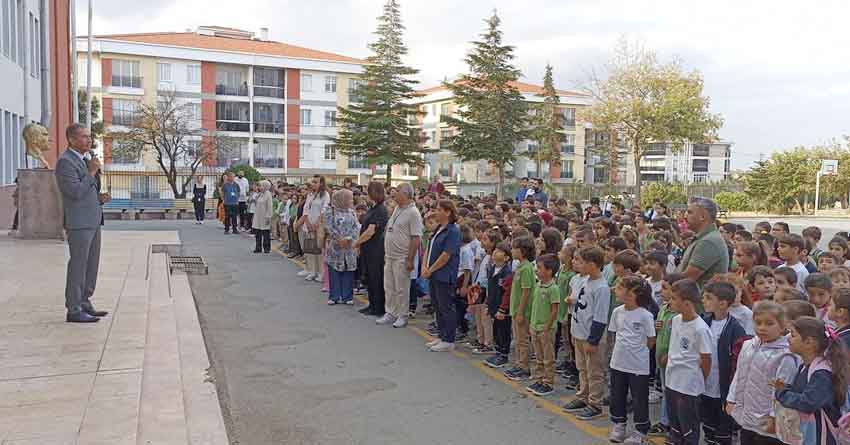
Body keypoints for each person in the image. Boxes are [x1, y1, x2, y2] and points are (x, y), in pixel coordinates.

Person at [54, 124, 109, 323]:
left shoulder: (85, 160)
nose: (89, 140)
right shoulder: (65, 162)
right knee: (78, 265)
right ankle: (74, 309)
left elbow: (86, 190)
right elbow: (74, 192)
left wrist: (99, 197)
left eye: (89, 137)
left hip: (93, 220)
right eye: (84, 137)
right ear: (71, 140)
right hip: (79, 223)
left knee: (91, 265)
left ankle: (85, 301)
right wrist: (91, 173)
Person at [726, 301, 800, 445]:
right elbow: (739, 374)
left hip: (767, 420)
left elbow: (782, 390)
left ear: (782, 325)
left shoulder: (786, 355)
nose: (762, 328)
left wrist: (774, 418)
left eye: (769, 323)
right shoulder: (748, 346)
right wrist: (732, 398)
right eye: (758, 323)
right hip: (746, 415)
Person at [774, 316, 850, 445]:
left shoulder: (822, 373)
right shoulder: (805, 365)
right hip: (808, 434)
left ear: (809, 342)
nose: (788, 339)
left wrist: (782, 393)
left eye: (793, 335)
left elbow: (808, 403)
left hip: (821, 437)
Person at [562, 246, 611, 421]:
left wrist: (593, 340)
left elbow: (600, 317)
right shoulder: (585, 281)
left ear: (592, 264)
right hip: (579, 331)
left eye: (581, 262)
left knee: (594, 371)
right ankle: (583, 395)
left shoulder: (602, 287)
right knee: (582, 368)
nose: (577, 264)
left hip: (591, 336)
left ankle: (595, 403)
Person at [607, 275, 657, 445]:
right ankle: (619, 424)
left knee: (639, 398)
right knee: (617, 395)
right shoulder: (617, 312)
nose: (615, 290)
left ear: (633, 293)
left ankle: (640, 431)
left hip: (638, 366)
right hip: (618, 362)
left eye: (620, 287)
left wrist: (638, 353)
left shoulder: (645, 315)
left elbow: (651, 340)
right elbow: (614, 334)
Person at [665, 279, 712, 445]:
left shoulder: (700, 328)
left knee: (688, 423)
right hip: (672, 378)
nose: (670, 302)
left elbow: (706, 359)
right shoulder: (676, 319)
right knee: (675, 420)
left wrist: (699, 379)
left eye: (673, 299)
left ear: (686, 303)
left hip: (688, 384)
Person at [700, 281, 748, 445]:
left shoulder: (735, 329)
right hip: (705, 380)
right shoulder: (703, 321)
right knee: (707, 415)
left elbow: (738, 361)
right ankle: (709, 438)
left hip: (724, 384)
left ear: (722, 303)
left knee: (723, 421)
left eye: (708, 298)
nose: (703, 301)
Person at [377, 183, 423, 328]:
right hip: (390, 255)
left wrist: (410, 259)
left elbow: (416, 238)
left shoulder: (413, 213)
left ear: (405, 194)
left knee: (401, 288)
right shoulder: (398, 208)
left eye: (397, 191)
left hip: (402, 256)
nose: (394, 193)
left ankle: (402, 315)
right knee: (389, 286)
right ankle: (390, 312)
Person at [421, 199, 460, 352]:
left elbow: (446, 255)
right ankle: (441, 335)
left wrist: (430, 269)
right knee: (437, 305)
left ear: (447, 212)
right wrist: (425, 266)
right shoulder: (438, 228)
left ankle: (449, 339)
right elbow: (428, 249)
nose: (435, 212)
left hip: (444, 274)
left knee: (446, 306)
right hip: (434, 274)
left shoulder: (453, 231)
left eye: (438, 209)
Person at [526, 253, 561, 397]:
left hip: (546, 329)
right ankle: (539, 379)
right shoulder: (538, 285)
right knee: (538, 356)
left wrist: (547, 327)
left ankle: (548, 382)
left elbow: (554, 310)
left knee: (548, 358)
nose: (536, 270)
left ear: (549, 271)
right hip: (535, 326)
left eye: (539, 268)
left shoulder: (553, 288)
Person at [503, 236, 537, 382]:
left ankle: (524, 367)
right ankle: (518, 363)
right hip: (515, 309)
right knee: (518, 338)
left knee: (523, 340)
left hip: (521, 310)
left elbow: (526, 291)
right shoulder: (520, 266)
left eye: (514, 248)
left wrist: (521, 311)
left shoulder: (527, 268)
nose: (511, 250)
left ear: (522, 251)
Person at [677, 197, 729, 289]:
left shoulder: (708, 242)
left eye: (690, 212)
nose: (685, 216)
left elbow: (687, 279)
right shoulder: (705, 237)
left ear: (703, 216)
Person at [354, 182, 388, 316]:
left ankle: (378, 307)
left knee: (376, 279)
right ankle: (372, 304)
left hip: (376, 250)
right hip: (368, 249)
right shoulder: (372, 209)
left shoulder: (381, 210)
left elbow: (370, 231)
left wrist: (357, 243)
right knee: (369, 278)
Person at [324, 189, 360, 305]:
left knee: (348, 270)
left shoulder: (352, 212)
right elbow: (328, 227)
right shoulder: (331, 211)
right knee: (334, 270)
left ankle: (347, 296)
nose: (351, 200)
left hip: (349, 246)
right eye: (349, 198)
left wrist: (350, 239)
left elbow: (356, 227)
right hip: (335, 246)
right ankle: (334, 296)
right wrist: (339, 239)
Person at [298, 175, 330, 282]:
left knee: (319, 250)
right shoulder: (310, 194)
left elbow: (324, 210)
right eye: (313, 182)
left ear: (321, 183)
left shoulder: (325, 195)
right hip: (309, 225)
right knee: (310, 249)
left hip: (319, 226)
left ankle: (321, 272)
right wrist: (307, 222)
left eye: (316, 182)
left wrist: (317, 223)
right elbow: (306, 209)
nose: (314, 184)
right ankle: (312, 271)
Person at [251, 180, 273, 254]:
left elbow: (269, 207)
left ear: (265, 186)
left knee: (265, 232)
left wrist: (268, 217)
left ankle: (267, 248)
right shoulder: (260, 194)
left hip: (264, 216)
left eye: (261, 186)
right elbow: (255, 202)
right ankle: (258, 247)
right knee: (258, 232)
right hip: (258, 216)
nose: (259, 187)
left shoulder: (268, 194)